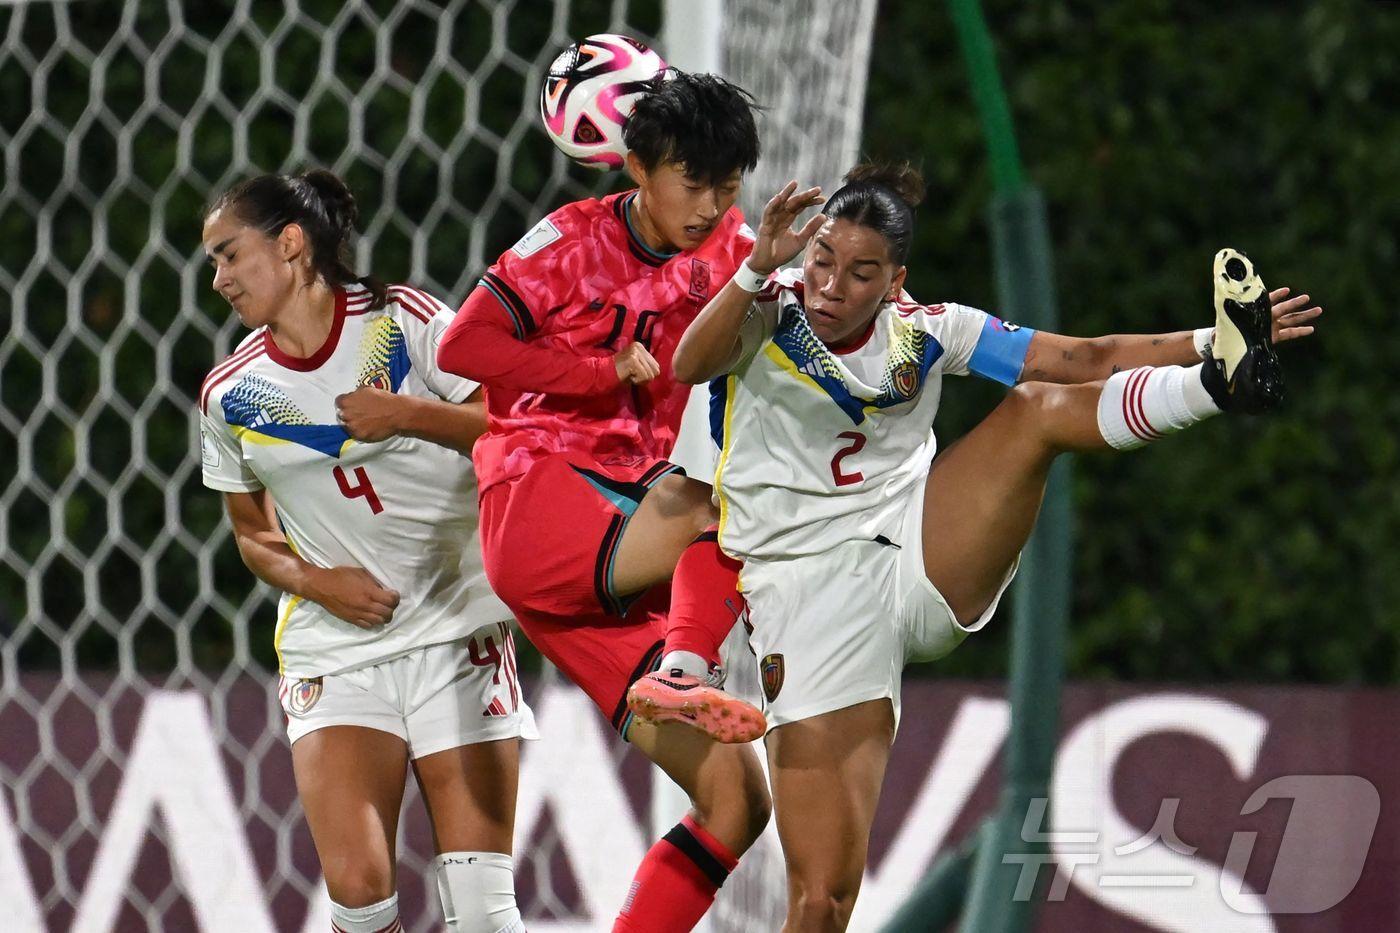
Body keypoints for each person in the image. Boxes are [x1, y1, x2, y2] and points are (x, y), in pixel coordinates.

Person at [671, 163, 1322, 931]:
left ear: (895, 281)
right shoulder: (764, 312)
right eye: (822, 260)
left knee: (1039, 410)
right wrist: (756, 267)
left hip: (917, 551)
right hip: (811, 604)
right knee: (823, 900)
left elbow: (1083, 358)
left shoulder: (927, 329)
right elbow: (688, 364)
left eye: (862, 271)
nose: (833, 285)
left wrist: (1215, 340)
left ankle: (1222, 385)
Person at [436, 72, 773, 932]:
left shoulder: (732, 253)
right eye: (691, 183)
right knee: (722, 509)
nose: (709, 206)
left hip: (617, 551)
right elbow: (465, 340)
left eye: (726, 188)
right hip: (539, 497)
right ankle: (683, 668)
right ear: (635, 168)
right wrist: (593, 374)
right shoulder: (566, 243)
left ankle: (679, 672)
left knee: (737, 802)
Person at [198, 169, 536, 933]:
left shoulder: (402, 321)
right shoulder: (229, 392)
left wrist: (407, 414)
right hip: (337, 649)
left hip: (456, 626)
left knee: (482, 914)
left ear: (290, 244)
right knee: (359, 894)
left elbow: (507, 422)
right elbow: (252, 533)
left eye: (228, 254)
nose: (217, 279)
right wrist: (317, 582)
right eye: (211, 263)